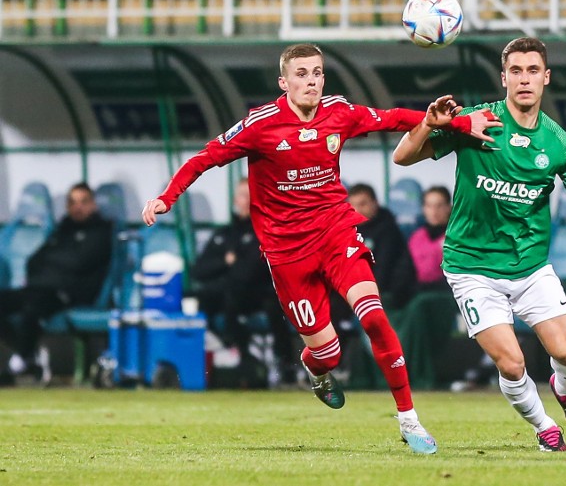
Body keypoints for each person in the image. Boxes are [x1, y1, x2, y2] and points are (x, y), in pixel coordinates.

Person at [141, 42, 496, 454]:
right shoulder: (261, 124)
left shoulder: (338, 113)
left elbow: (393, 119)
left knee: (375, 316)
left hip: (335, 232)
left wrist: (452, 124)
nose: (311, 81)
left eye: (317, 73)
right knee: (327, 352)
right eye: (302, 74)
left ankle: (409, 420)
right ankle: (317, 368)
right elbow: (204, 158)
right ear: (284, 81)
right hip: (287, 253)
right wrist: (168, 196)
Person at [393, 36, 566, 452]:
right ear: (503, 77)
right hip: (472, 267)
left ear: (546, 77)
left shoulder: (559, 145)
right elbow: (403, 157)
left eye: (532, 71)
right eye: (515, 71)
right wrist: (429, 125)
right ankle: (545, 427)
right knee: (512, 362)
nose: (523, 79)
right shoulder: (476, 121)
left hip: (529, 266)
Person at [0, 183, 113, 386]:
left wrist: (52, 261)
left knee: (32, 309)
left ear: (93, 205)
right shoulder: (62, 230)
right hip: (40, 288)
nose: (78, 207)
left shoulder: (101, 232)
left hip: (69, 293)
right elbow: (34, 260)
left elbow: (79, 262)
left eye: (84, 201)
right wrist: (55, 262)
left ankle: (20, 363)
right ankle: (26, 354)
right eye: (72, 202)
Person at [190, 177, 295, 385]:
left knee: (247, 298)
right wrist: (225, 262)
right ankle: (224, 355)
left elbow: (248, 273)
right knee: (200, 299)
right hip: (227, 295)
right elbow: (198, 270)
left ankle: (277, 367)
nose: (246, 201)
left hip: (258, 295)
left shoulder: (267, 232)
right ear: (235, 199)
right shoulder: (224, 234)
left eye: (252, 196)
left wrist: (226, 269)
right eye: (242, 196)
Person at [347, 183, 417, 311]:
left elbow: (383, 269)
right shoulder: (349, 230)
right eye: (353, 205)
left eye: (363, 204)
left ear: (375, 203)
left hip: (389, 292)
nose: (357, 210)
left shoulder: (388, 230)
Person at [407, 186, 452, 291]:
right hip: (417, 291)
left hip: (447, 294)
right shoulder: (416, 237)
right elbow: (406, 270)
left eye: (439, 206)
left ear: (448, 207)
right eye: (429, 206)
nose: (434, 211)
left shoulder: (458, 236)